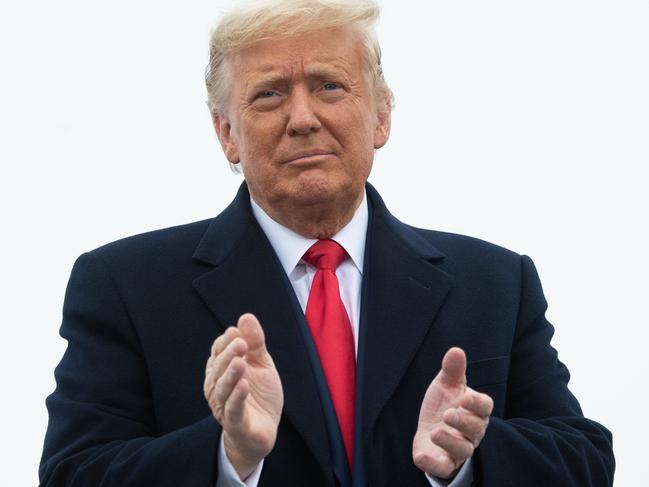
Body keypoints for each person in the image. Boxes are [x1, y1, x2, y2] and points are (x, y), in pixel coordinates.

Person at [39, 1, 614, 486]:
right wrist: (228, 455)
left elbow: (585, 458)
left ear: (381, 117)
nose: (302, 117)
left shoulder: (495, 282)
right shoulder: (125, 286)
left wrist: (470, 459)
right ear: (226, 134)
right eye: (268, 95)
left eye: (329, 86)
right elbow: (73, 471)